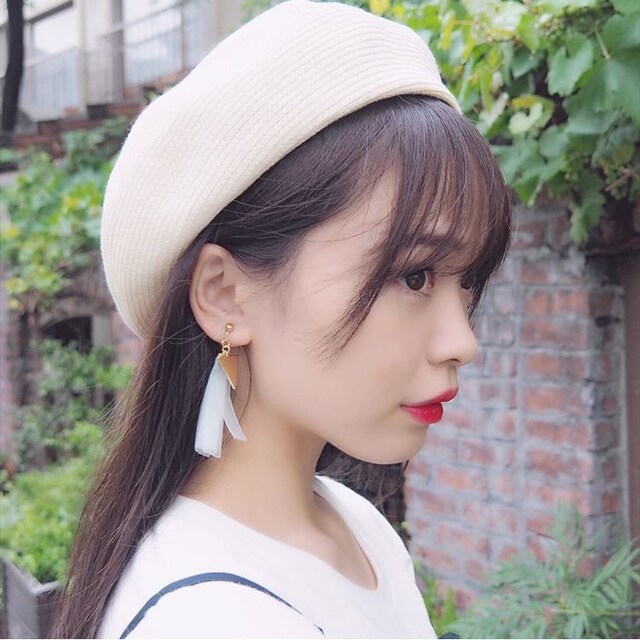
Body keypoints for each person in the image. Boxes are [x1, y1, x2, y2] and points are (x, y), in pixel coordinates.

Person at [51, 0, 511, 637]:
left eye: (467, 283)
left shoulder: (356, 524)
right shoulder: (209, 620)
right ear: (225, 295)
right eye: (414, 276)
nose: (462, 341)